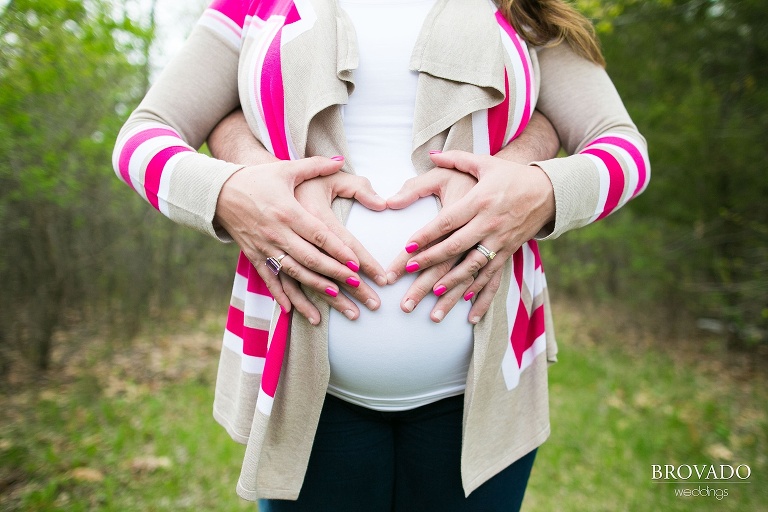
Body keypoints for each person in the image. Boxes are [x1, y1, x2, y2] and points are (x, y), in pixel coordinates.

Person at [112, 0, 650, 510]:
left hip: (488, 390)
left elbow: (623, 148)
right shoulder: (254, 7)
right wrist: (233, 195)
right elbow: (142, 137)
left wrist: (539, 192)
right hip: (303, 383)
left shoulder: (520, 7)